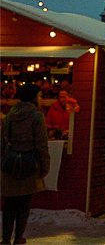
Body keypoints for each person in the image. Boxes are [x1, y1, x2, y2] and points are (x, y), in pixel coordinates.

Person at [1, 84, 51, 245]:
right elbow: (41, 144)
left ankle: (6, 238)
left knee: (9, 204)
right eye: (39, 95)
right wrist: (45, 165)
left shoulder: (10, 116)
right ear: (33, 97)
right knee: (24, 203)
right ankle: (18, 238)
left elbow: (3, 141)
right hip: (29, 162)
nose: (41, 98)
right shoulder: (36, 117)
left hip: (10, 162)